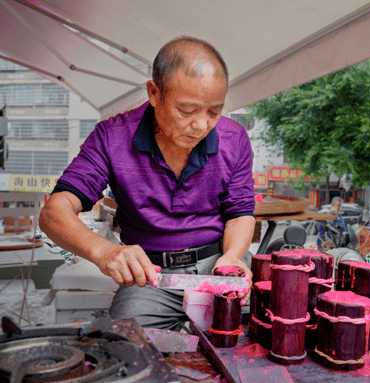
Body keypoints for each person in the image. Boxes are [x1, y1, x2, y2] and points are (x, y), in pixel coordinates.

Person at [39, 37, 256, 330]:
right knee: (128, 349)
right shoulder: (112, 136)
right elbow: (54, 212)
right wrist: (104, 251)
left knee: (262, 332)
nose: (202, 126)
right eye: (188, 110)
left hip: (216, 264)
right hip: (148, 277)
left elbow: (240, 211)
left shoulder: (235, 138)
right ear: (154, 93)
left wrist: (232, 257)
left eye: (213, 112)